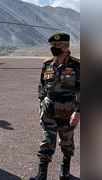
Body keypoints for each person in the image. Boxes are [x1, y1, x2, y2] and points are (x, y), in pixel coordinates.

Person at [30, 33, 80, 180]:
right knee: (47, 141)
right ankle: (42, 174)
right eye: (53, 46)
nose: (54, 48)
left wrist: (78, 111)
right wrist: (41, 103)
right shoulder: (47, 64)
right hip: (49, 110)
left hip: (67, 110)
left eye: (58, 46)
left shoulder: (77, 65)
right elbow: (42, 86)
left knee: (67, 142)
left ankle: (65, 171)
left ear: (67, 46)